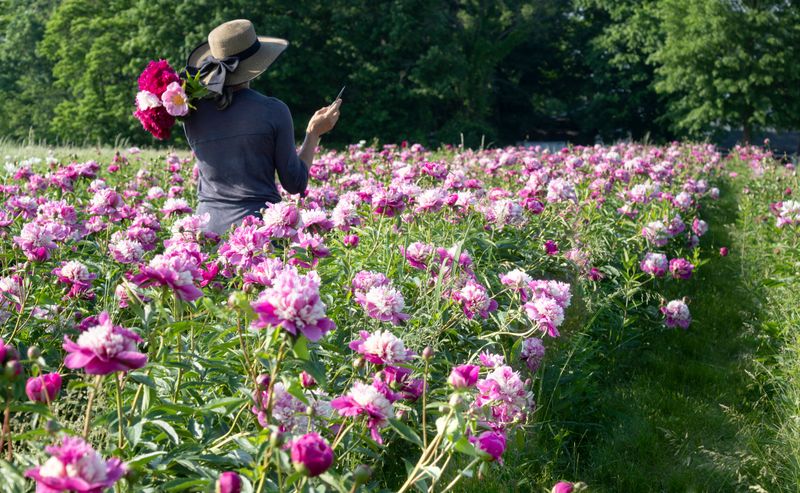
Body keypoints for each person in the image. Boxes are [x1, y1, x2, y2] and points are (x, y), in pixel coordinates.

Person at [182, 19, 341, 236]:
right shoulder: (273, 110)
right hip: (257, 234)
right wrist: (313, 133)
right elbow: (295, 183)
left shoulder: (191, 112)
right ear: (256, 64)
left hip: (204, 232)